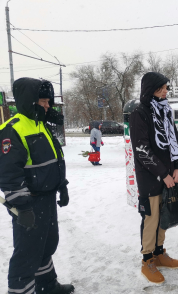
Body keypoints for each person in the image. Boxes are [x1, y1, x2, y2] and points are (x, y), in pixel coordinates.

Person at [0, 78, 74, 294]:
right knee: (27, 252)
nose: (47, 106)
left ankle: (46, 285)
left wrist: (62, 186)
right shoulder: (13, 129)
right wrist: (21, 207)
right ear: (30, 101)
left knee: (46, 245)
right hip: (29, 201)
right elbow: (8, 173)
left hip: (47, 198)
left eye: (48, 101)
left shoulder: (40, 124)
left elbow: (53, 160)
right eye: (43, 101)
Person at [129, 72, 178, 284]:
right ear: (149, 89)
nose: (164, 91)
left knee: (164, 216)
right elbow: (142, 150)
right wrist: (163, 174)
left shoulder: (165, 111)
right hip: (151, 177)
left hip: (169, 175)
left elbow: (175, 140)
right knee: (151, 219)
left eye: (166, 87)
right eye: (160, 88)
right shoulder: (140, 113)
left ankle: (159, 253)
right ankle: (147, 259)